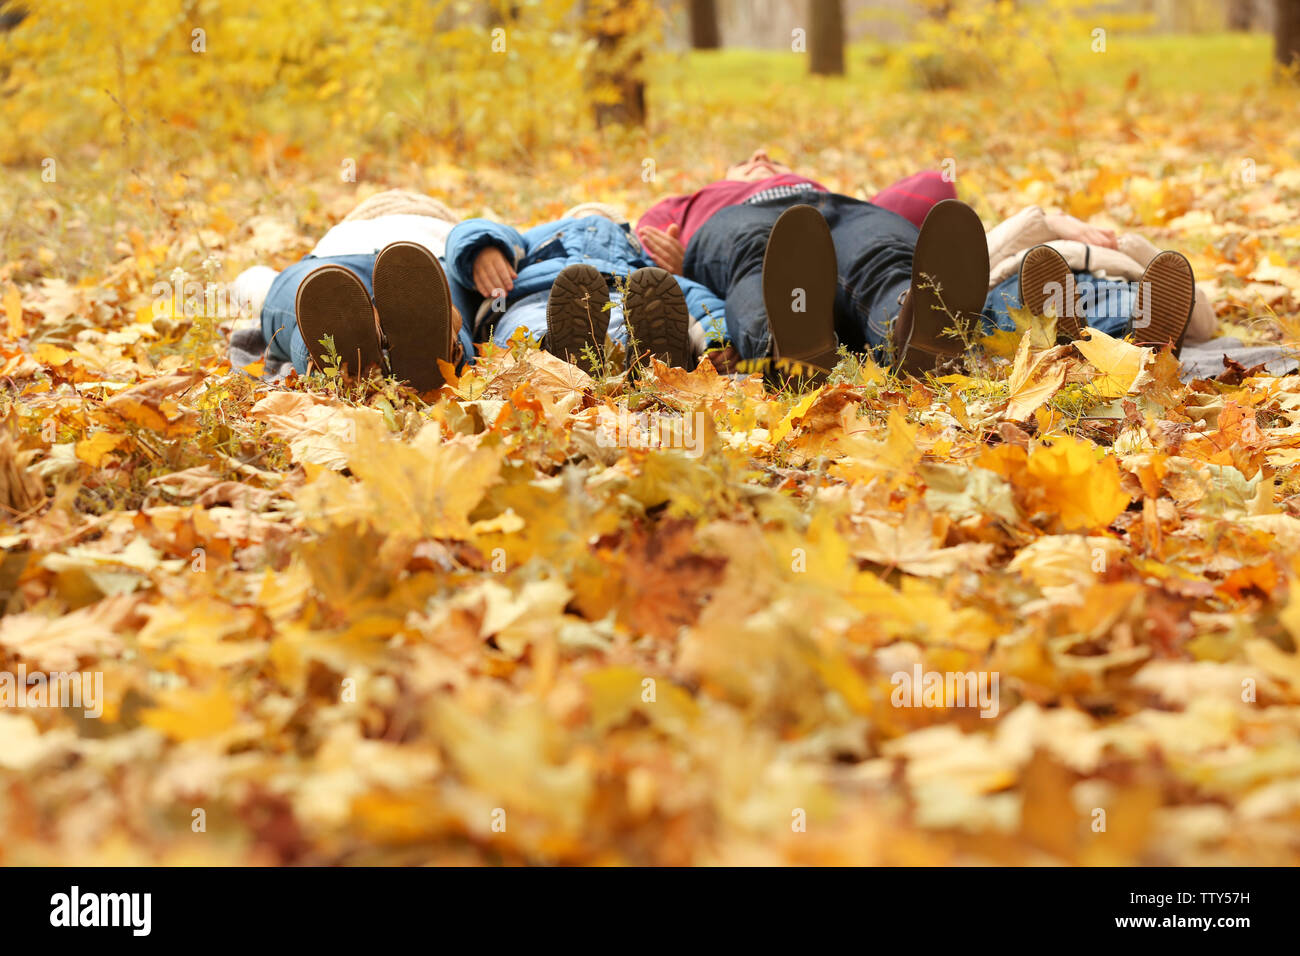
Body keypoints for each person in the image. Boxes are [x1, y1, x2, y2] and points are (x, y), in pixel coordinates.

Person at [229, 190, 476, 391]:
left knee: (315, 297)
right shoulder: (464, 239)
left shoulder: (347, 228)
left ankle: (330, 364)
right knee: (442, 307)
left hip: (336, 253)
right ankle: (446, 354)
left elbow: (251, 282)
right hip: (432, 254)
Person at [443, 205, 726, 373]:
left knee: (645, 311)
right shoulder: (529, 244)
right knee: (529, 327)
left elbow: (692, 296)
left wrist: (718, 340)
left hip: (621, 300)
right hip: (534, 297)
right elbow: (471, 229)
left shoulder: (644, 264)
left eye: (603, 216)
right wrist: (484, 247)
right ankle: (553, 352)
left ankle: (650, 360)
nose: (594, 219)